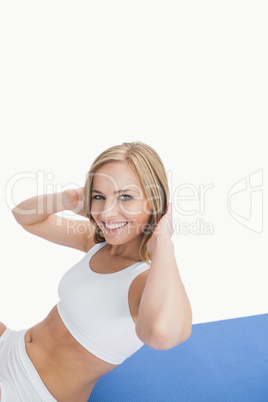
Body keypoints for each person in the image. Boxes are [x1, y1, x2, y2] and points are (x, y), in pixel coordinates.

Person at [0, 141, 192, 401]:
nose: (107, 212)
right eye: (99, 196)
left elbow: (162, 335)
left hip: (31, 391)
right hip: (12, 344)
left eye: (126, 196)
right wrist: (67, 199)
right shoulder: (96, 242)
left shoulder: (143, 281)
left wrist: (164, 243)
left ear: (155, 203)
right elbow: (23, 215)